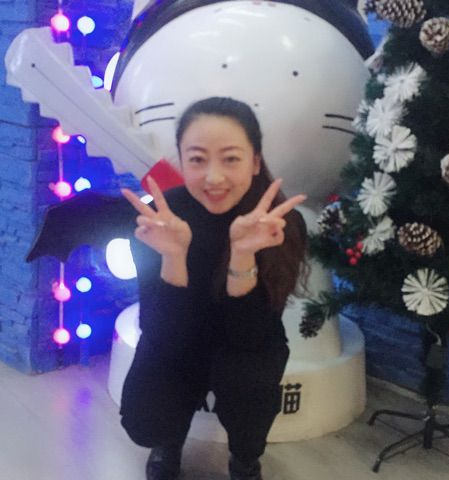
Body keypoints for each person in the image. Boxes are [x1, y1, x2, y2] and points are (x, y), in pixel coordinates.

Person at [120, 97, 308, 480]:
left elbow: (253, 334)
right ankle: (168, 441)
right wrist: (174, 257)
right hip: (178, 334)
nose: (214, 178)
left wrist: (242, 255)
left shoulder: (277, 224)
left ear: (255, 161)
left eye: (231, 159)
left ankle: (244, 458)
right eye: (197, 159)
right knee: (145, 419)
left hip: (248, 341)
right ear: (181, 161)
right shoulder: (160, 221)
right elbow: (158, 329)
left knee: (250, 386)